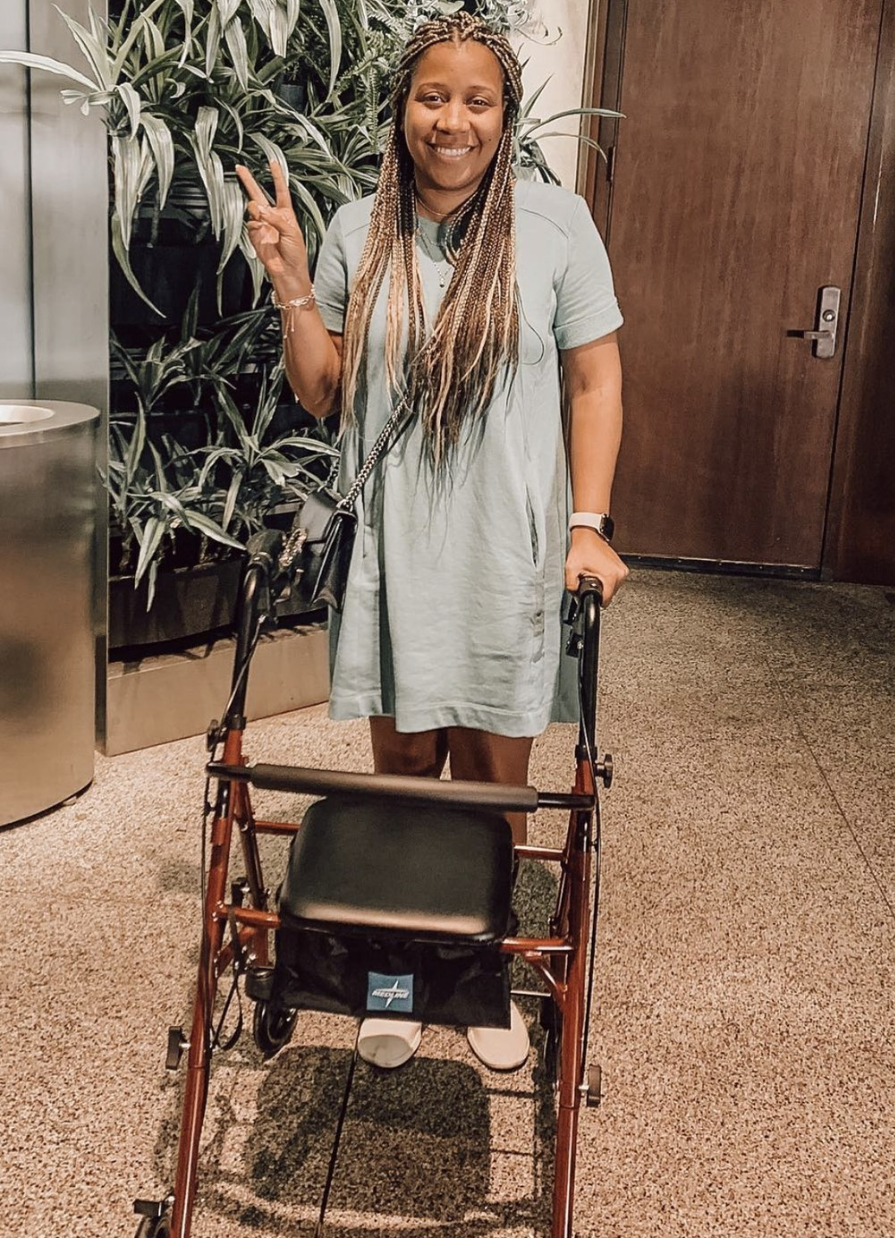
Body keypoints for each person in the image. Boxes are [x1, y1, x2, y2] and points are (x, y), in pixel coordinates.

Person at [236, 12, 627, 1072]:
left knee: (496, 790)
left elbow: (595, 378)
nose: (452, 121)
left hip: (508, 550)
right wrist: (284, 275)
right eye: (432, 97)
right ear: (401, 108)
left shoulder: (556, 224)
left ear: (506, 115)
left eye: (477, 100)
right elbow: (323, 392)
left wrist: (588, 526)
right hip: (398, 550)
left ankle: (483, 975)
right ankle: (401, 979)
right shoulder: (360, 226)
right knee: (405, 779)